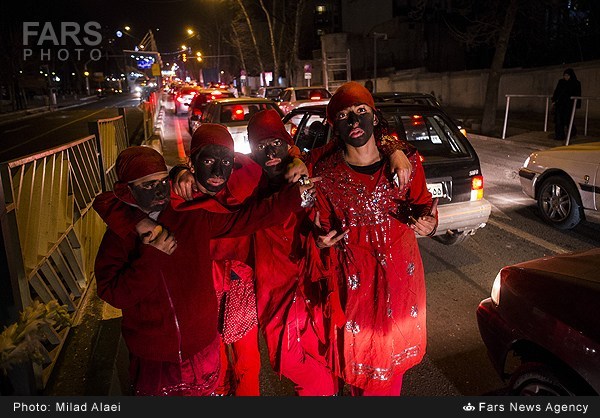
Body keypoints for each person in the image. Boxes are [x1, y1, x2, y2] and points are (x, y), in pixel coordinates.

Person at [93, 143, 314, 396]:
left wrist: (294, 195)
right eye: (147, 184)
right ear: (128, 190)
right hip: (154, 360)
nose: (159, 191)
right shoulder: (120, 235)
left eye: (163, 181)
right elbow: (114, 293)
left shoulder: (190, 217)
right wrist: (151, 255)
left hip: (203, 350)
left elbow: (246, 219)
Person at [307, 81, 438, 396]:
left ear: (375, 118)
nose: (354, 122)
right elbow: (322, 227)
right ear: (334, 125)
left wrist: (429, 224)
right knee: (360, 371)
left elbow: (424, 206)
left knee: (390, 376)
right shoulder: (325, 173)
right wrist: (320, 240)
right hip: (356, 288)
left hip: (401, 283)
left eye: (361, 112)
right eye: (344, 116)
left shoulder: (407, 162)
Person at [551, 68, 581, 141]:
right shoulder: (561, 82)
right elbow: (557, 91)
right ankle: (560, 136)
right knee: (559, 121)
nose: (566, 77)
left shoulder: (576, 83)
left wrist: (577, 105)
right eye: (564, 75)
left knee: (568, 120)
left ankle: (572, 131)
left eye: (567, 75)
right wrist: (554, 100)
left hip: (569, 105)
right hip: (560, 104)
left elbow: (578, 94)